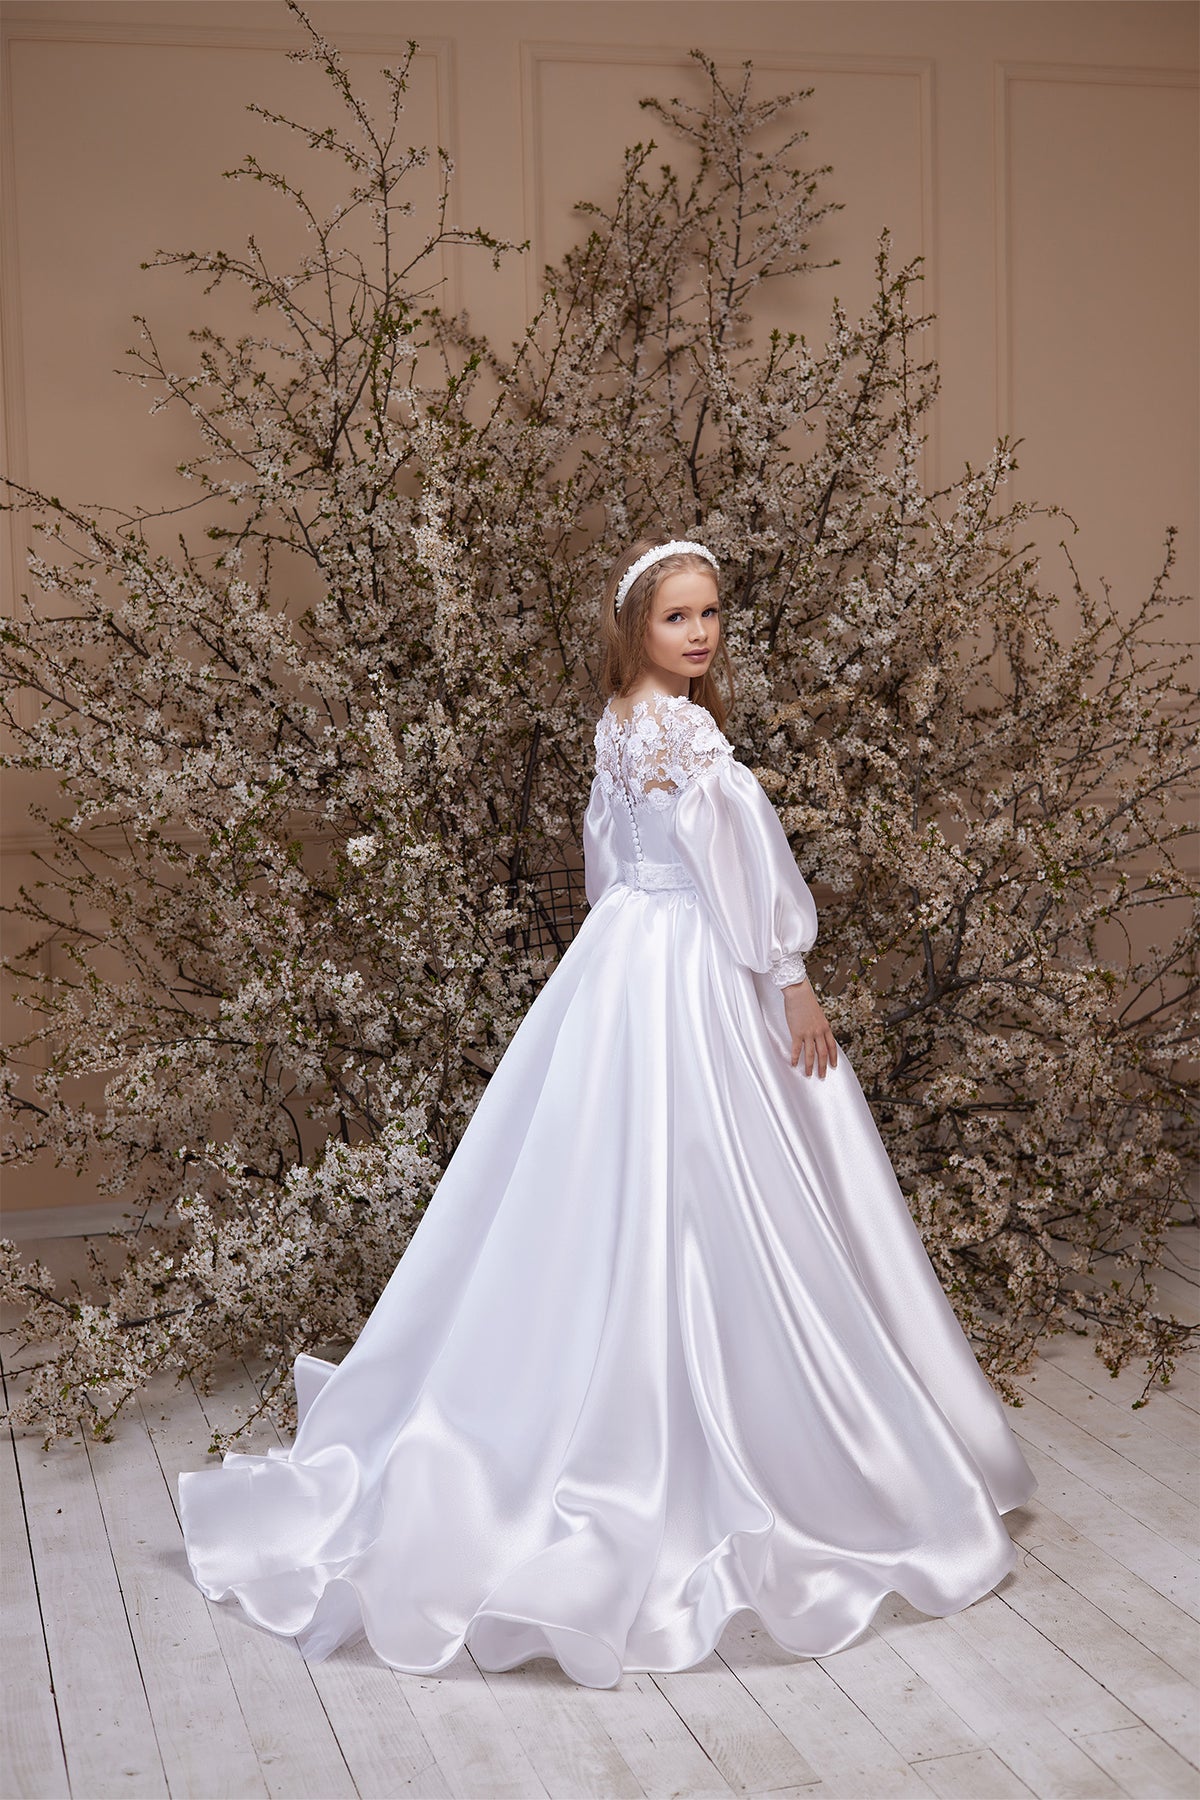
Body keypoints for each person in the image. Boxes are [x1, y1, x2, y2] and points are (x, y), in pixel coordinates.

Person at [177, 534, 1037, 1690]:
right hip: (688, 961)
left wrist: (620, 947)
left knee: (606, 1177)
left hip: (625, 954)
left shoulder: (619, 722)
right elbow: (743, 868)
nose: (701, 633)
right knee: (711, 1176)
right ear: (636, 628)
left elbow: (607, 861)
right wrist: (789, 978)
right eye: (678, 617)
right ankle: (752, 1442)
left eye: (711, 613)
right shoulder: (687, 735)